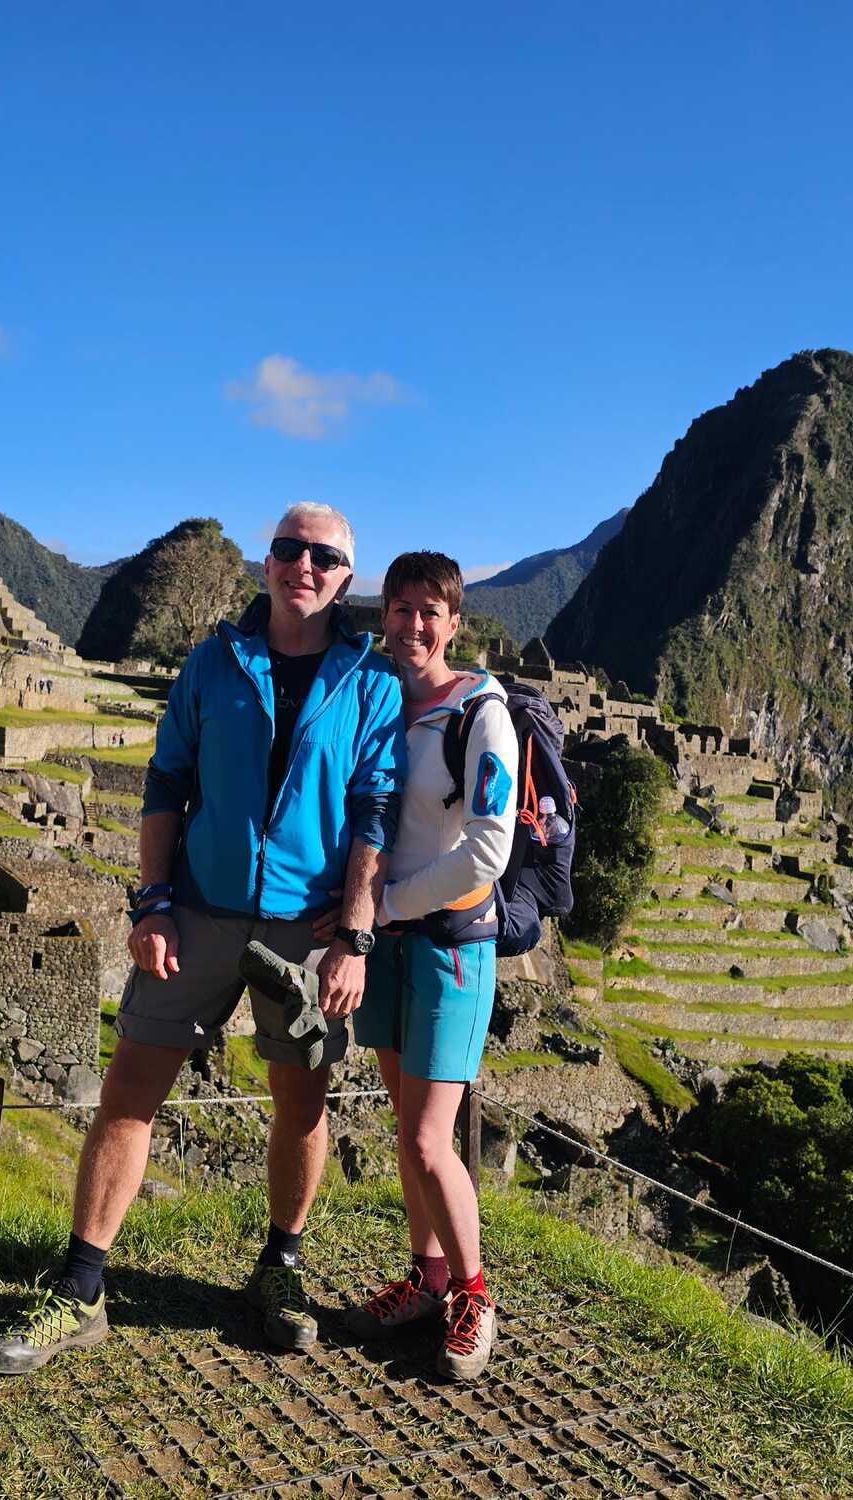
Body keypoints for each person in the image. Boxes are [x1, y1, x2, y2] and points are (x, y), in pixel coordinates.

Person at [0, 501, 405, 1377]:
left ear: (344, 576)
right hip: (200, 912)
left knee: (302, 1101)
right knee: (131, 1088)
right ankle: (81, 1288)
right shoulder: (214, 663)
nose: (305, 566)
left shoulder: (370, 684)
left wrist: (355, 935)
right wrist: (151, 905)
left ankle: (280, 1268)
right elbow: (166, 783)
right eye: (291, 549)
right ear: (267, 562)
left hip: (305, 926)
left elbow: (373, 813)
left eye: (325, 556)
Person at [332, 551, 515, 1382]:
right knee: (407, 1135)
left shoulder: (480, 713)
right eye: (399, 610)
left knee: (430, 1138)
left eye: (427, 613)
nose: (411, 626)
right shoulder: (381, 700)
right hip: (391, 945)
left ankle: (475, 1295)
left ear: (453, 624)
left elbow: (490, 846)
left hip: (447, 945)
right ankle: (428, 1280)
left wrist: (389, 907)